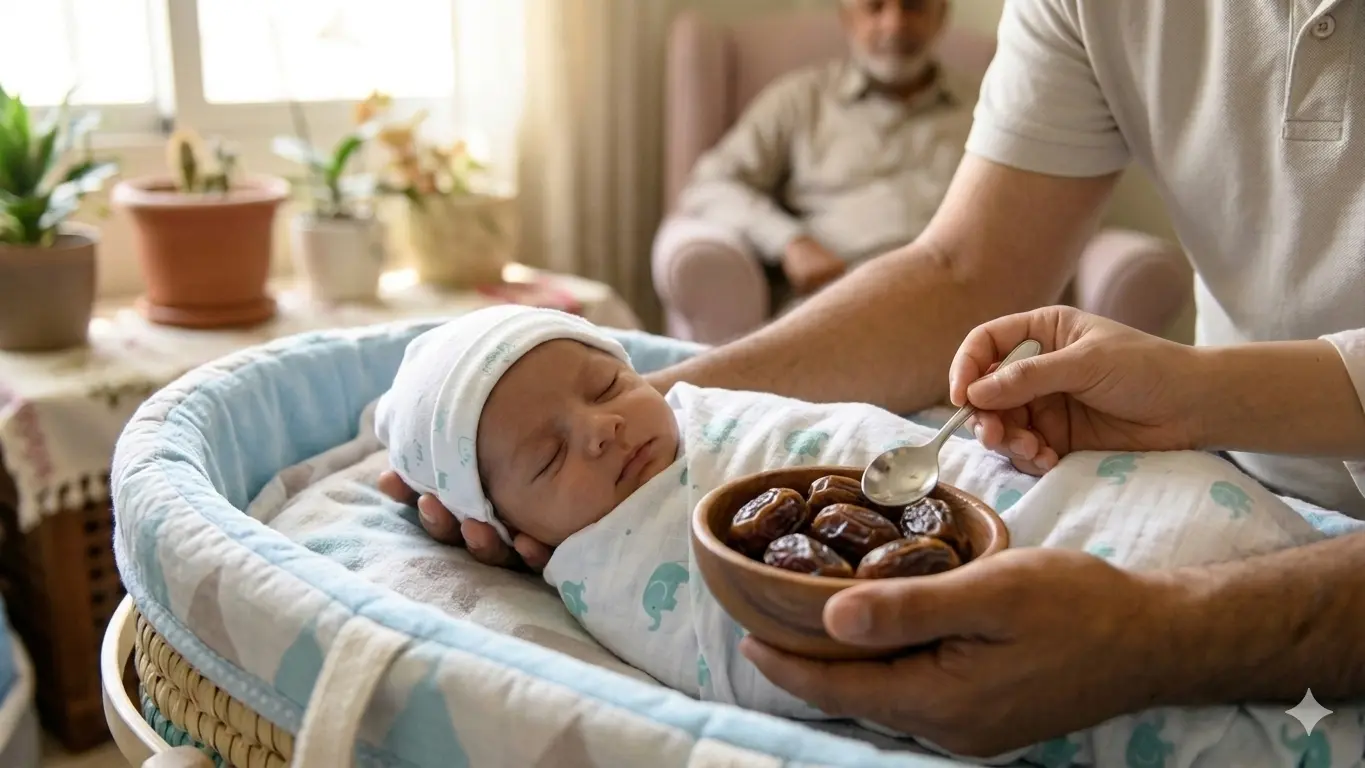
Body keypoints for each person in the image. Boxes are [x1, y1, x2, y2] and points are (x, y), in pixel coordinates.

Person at [381, 0, 1365, 755]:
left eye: (605, 390)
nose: (895, 22)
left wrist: (1158, 636)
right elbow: (962, 271)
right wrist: (633, 417)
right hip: (1255, 464)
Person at [373, 304, 1363, 766]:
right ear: (509, 526)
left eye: (607, 384)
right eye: (547, 458)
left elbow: (842, 431)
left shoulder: (706, 414)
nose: (600, 429)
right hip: (1020, 618)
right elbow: (730, 647)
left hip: (1107, 505)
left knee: (1181, 506)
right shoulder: (608, 569)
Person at [670, 0, 972, 305]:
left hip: (958, 301)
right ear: (847, 18)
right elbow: (710, 185)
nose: (894, 25)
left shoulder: (985, 108)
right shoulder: (800, 100)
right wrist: (789, 240)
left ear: (941, 16)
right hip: (836, 297)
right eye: (875, 7)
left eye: (913, 6)